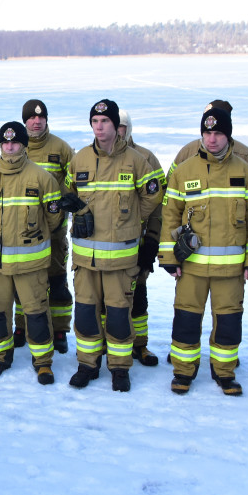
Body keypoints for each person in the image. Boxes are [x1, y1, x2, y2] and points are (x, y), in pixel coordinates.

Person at [159, 107, 248, 395]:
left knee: (229, 321)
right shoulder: (183, 171)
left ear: (228, 135)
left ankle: (225, 372)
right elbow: (170, 216)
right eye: (207, 133)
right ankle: (183, 371)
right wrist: (169, 258)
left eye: (218, 133)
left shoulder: (244, 172)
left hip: (230, 270)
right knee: (186, 320)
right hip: (191, 267)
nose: (212, 139)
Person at [63, 100, 163, 391]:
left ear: (116, 125)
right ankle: (87, 364)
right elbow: (70, 192)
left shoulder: (135, 160)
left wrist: (131, 219)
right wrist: (76, 210)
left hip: (120, 259)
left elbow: (152, 195)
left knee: (119, 315)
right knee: (85, 314)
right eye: (95, 121)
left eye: (105, 121)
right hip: (85, 258)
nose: (99, 126)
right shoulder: (80, 158)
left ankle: (119, 368)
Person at [0, 121, 63, 383]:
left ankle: (43, 361)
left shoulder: (42, 177)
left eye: (15, 142)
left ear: (24, 145)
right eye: (5, 142)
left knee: (36, 313)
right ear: (0, 145)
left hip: (31, 264)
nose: (10, 146)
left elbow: (54, 219)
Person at [19, 98, 75, 353]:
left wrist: (65, 207)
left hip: (54, 228)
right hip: (22, 229)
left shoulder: (61, 148)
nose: (36, 121)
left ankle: (60, 328)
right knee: (23, 277)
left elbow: (74, 183)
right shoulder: (16, 146)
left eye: (40, 117)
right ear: (25, 121)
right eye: (31, 117)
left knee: (56, 277)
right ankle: (22, 325)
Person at [117, 109, 165, 366]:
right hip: (107, 243)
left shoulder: (146, 158)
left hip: (138, 240)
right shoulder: (95, 158)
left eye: (123, 127)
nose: (119, 131)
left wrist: (152, 242)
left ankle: (140, 345)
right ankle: (108, 342)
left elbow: (158, 205)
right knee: (107, 298)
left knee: (138, 294)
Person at [168, 99, 248, 190]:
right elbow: (171, 182)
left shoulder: (244, 154)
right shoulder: (187, 151)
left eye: (218, 132)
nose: (212, 139)